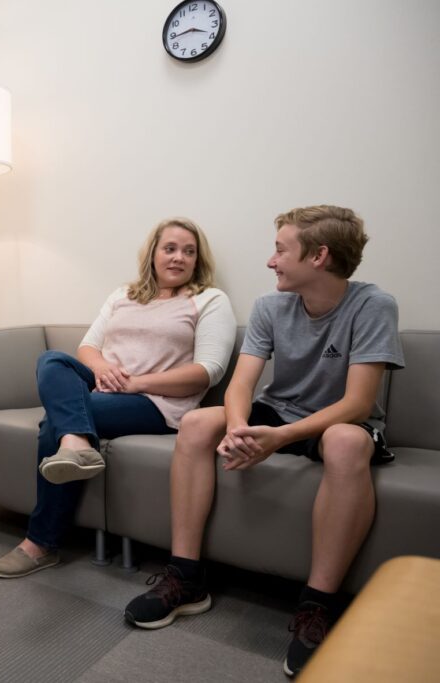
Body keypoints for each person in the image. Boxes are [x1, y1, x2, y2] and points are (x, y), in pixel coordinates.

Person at [123, 205, 404, 678]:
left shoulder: (373, 304)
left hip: (336, 421)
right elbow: (240, 386)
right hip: (277, 413)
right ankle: (186, 577)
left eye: (280, 250)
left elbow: (358, 403)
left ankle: (318, 605)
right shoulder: (271, 307)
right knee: (195, 425)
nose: (271, 261)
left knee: (345, 444)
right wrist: (238, 428)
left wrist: (280, 438)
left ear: (318, 256)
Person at [0, 218, 236, 578]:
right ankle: (76, 442)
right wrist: (103, 369)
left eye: (189, 251)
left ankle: (41, 542)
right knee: (52, 360)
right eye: (170, 248)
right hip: (107, 386)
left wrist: (136, 383)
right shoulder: (124, 295)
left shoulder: (209, 300)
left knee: (52, 422)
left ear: (198, 260)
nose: (178, 257)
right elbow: (88, 347)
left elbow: (208, 371)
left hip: (157, 403)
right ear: (153, 253)